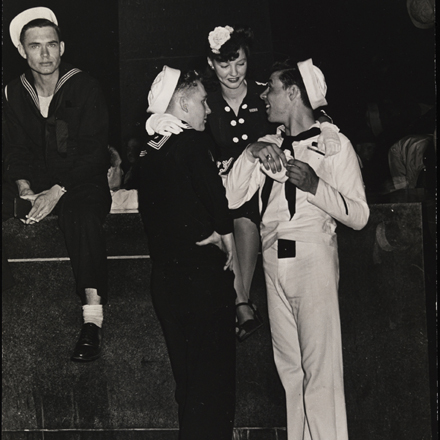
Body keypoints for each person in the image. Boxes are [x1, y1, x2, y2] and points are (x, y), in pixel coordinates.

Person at [146, 25, 341, 342]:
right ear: (211, 64)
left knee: (243, 216)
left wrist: (327, 126)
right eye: (224, 65)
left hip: (264, 187)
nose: (233, 72)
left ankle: (240, 300)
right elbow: (165, 108)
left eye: (240, 63)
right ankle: (241, 304)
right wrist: (156, 121)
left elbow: (308, 110)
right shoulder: (203, 99)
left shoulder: (266, 94)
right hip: (217, 185)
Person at [224, 59, 370, 439]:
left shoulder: (334, 144)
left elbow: (359, 215)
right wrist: (252, 150)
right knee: (291, 371)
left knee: (321, 369)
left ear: (292, 93)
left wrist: (316, 187)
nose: (263, 96)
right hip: (274, 260)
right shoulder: (269, 145)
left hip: (312, 256)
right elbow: (230, 195)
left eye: (270, 88)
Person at [2, 7, 112, 362]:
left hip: (82, 181)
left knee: (81, 214)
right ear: (22, 51)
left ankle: (92, 320)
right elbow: (15, 149)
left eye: (51, 45)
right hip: (39, 184)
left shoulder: (85, 85)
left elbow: (95, 153)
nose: (45, 54)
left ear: (62, 47)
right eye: (35, 46)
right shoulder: (13, 93)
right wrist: (24, 188)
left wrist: (57, 190)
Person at [138, 66, 236, 439]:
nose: (207, 109)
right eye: (201, 100)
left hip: (165, 279)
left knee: (188, 386)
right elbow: (215, 198)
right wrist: (223, 234)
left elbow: (159, 209)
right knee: (213, 386)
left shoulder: (150, 148)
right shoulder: (193, 143)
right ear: (181, 103)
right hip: (201, 278)